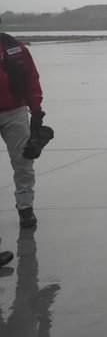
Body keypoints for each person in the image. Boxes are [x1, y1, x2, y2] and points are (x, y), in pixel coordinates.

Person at [1, 24, 44, 228]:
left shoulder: (16, 48)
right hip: (14, 113)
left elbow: (31, 78)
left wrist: (36, 111)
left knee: (24, 162)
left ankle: (25, 208)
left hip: (15, 112)